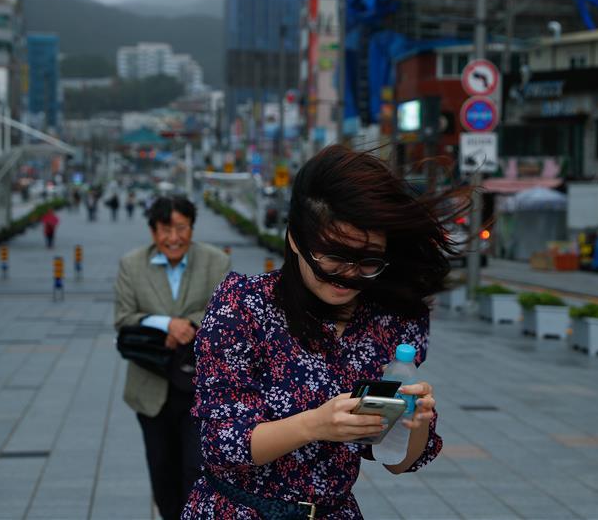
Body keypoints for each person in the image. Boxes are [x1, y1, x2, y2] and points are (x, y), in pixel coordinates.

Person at [183, 145, 465, 519]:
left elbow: (396, 461)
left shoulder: (391, 322)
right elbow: (223, 444)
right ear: (296, 239)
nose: (348, 275)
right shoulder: (242, 305)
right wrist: (316, 423)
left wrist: (416, 423)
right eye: (333, 256)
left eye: (367, 260)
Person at [114, 196, 231, 520]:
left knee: (197, 471)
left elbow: (223, 311)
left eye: (182, 228)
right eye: (166, 229)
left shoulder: (215, 261)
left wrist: (189, 323)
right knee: (162, 473)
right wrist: (165, 324)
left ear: (192, 228)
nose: (174, 237)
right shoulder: (131, 264)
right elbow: (123, 318)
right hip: (150, 390)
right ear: (153, 232)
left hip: (200, 390)